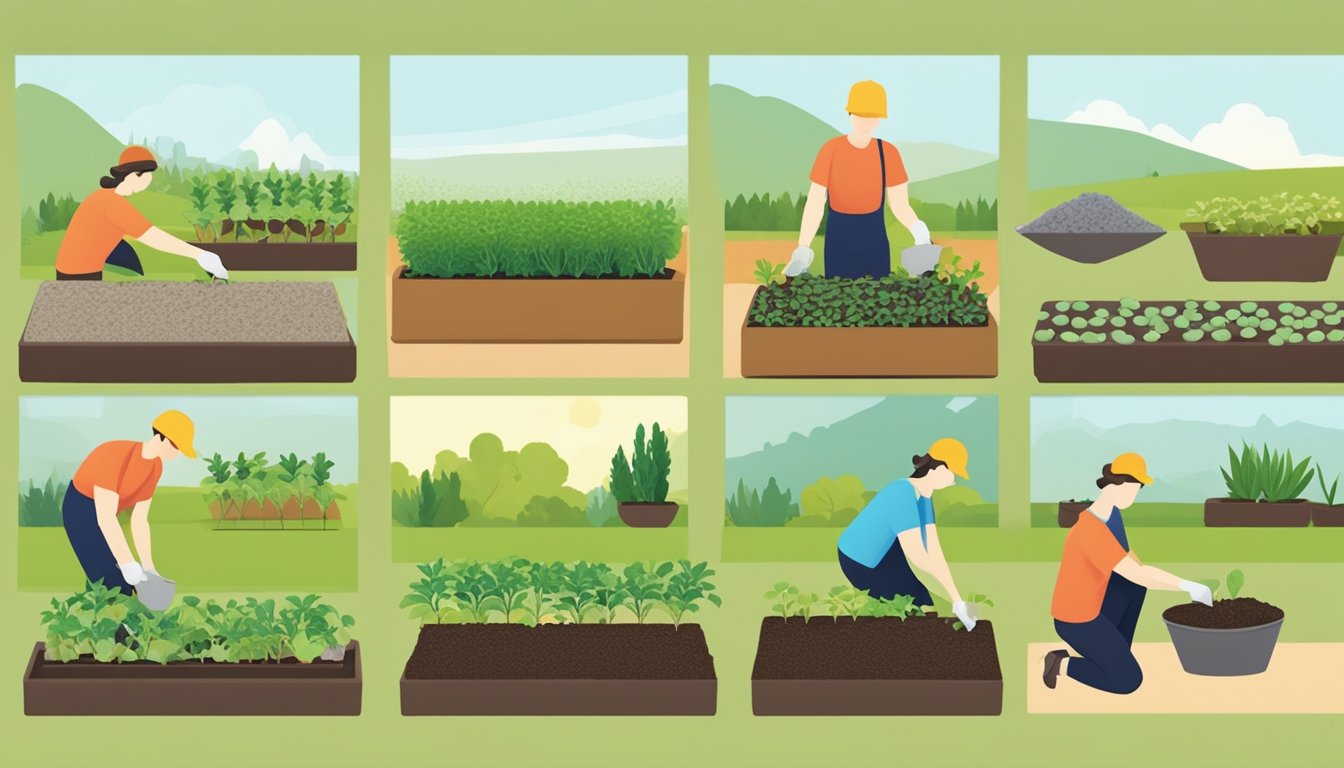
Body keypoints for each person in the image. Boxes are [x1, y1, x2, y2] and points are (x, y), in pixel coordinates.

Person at [1043, 453, 1214, 694]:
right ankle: (1060, 663)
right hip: (1075, 620)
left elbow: (1128, 556)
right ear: (1115, 484)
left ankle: (1113, 655)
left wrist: (1147, 573)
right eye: (1133, 488)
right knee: (1128, 680)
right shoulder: (1089, 529)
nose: (1135, 494)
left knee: (1134, 588)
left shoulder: (1112, 515)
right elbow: (1135, 572)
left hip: (1097, 604)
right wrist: (1187, 585)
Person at [786, 80, 931, 280]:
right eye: (861, 115)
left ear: (880, 118)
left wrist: (919, 231)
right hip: (839, 243)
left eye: (872, 116)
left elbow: (900, 205)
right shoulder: (831, 150)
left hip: (875, 244)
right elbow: (815, 202)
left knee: (878, 299)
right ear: (850, 113)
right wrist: (803, 246)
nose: (866, 121)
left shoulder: (888, 153)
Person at [836, 438, 979, 630]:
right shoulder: (902, 495)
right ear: (938, 469)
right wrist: (955, 600)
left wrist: (956, 598)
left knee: (919, 598)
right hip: (859, 559)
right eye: (953, 473)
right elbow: (919, 556)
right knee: (906, 603)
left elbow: (934, 550)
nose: (954, 481)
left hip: (885, 549)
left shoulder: (925, 498)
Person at [63, 410, 197, 594]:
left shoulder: (155, 467)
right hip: (80, 507)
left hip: (107, 512)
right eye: (177, 447)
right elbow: (105, 518)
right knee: (109, 579)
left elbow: (140, 520)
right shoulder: (116, 455)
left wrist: (149, 567)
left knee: (130, 582)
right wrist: (127, 563)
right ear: (162, 438)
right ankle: (110, 617)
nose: (178, 453)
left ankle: (130, 617)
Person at [54, 146, 228, 280]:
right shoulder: (111, 203)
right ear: (134, 175)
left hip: (77, 270)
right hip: (79, 275)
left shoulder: (103, 197)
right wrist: (201, 255)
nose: (148, 183)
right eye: (147, 178)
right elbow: (152, 237)